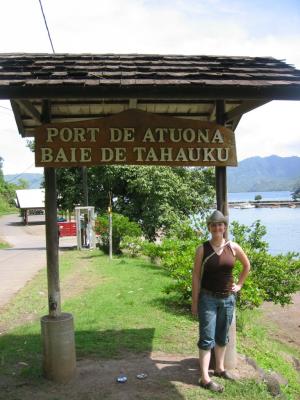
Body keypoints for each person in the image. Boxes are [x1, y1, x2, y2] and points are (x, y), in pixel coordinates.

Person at [192, 210, 250, 393]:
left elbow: (247, 266)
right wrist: (194, 301)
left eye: (220, 225)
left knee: (222, 336)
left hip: (227, 299)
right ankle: (205, 378)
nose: (217, 228)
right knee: (207, 337)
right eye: (214, 225)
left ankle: (219, 369)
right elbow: (195, 276)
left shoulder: (233, 247)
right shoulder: (203, 249)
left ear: (225, 227)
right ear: (209, 227)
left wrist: (239, 285)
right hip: (207, 299)